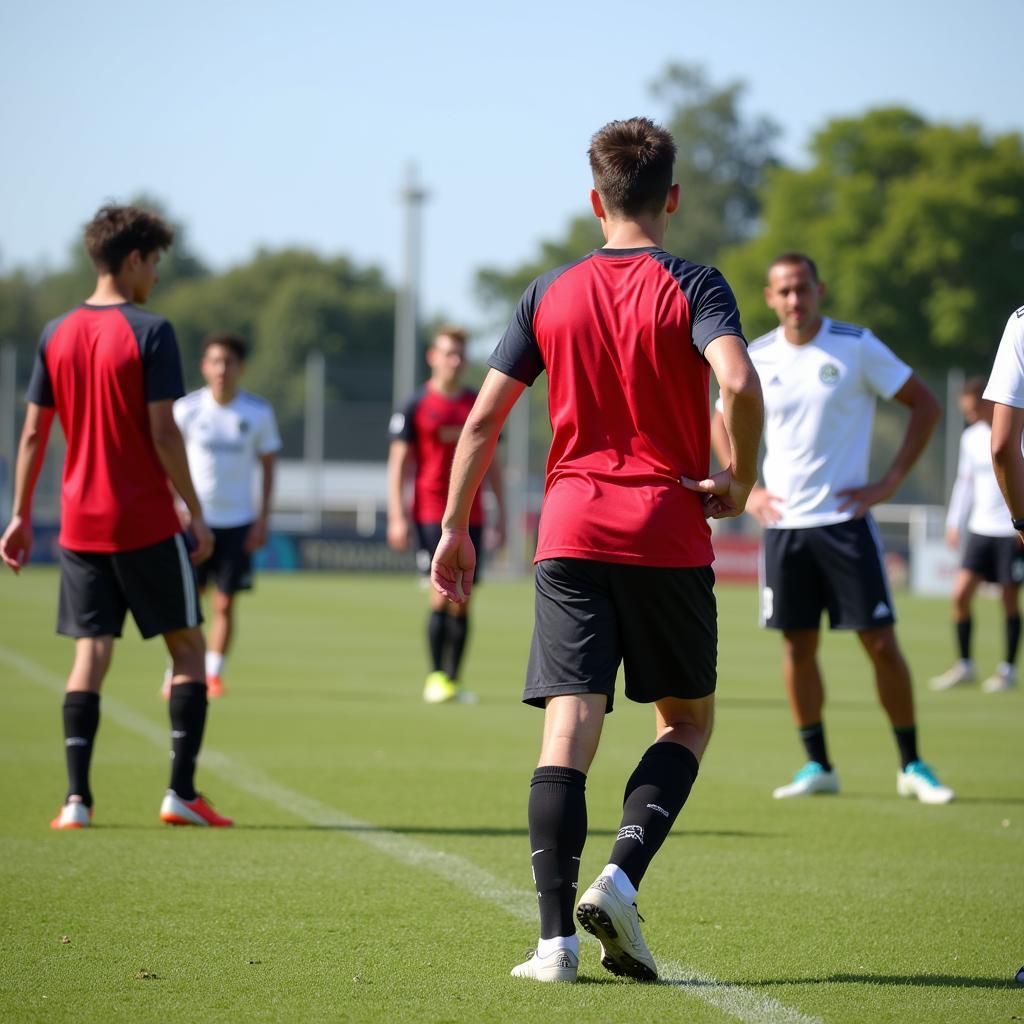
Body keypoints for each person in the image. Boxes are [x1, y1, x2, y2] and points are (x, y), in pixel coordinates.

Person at [431, 117, 763, 983]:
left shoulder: (549, 291)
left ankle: (553, 946)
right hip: (665, 530)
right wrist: (740, 473)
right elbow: (737, 379)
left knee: (568, 725)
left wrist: (454, 527)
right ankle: (619, 876)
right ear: (673, 199)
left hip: (570, 530)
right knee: (685, 721)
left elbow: (481, 422)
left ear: (594, 199)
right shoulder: (696, 284)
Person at [0, 204, 232, 828]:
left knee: (90, 653)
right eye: (154, 263)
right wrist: (195, 510)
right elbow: (162, 432)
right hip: (145, 520)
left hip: (78, 522)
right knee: (187, 647)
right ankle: (180, 791)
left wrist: (21, 514)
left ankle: (76, 800)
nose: (155, 276)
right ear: (133, 259)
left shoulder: (55, 333)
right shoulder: (152, 331)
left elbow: (30, 436)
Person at [711, 251, 953, 804]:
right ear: (771, 299)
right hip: (783, 526)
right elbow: (718, 416)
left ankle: (912, 763)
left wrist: (887, 484)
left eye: (802, 288)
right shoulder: (757, 356)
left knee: (882, 644)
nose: (795, 300)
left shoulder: (855, 345)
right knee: (797, 648)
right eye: (784, 292)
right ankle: (817, 764)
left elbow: (926, 405)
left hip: (845, 523)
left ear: (819, 289)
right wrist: (744, 486)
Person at [387, 327, 506, 704]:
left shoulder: (478, 402)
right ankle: (436, 676)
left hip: (472, 515)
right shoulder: (416, 404)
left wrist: (500, 512)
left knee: (465, 596)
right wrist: (396, 515)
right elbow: (399, 464)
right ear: (432, 357)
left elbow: (494, 463)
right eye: (448, 353)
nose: (454, 361)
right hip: (429, 514)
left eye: (460, 354)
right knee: (440, 595)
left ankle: (454, 679)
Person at [167, 331, 281, 699]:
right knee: (188, 600)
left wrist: (263, 518)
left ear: (240, 368)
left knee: (225, 602)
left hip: (237, 522)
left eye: (228, 362)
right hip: (192, 521)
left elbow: (268, 466)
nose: (221, 369)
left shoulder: (257, 413)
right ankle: (180, 669)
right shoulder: (186, 410)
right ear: (204, 366)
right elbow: (168, 461)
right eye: (215, 361)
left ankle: (213, 673)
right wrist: (172, 505)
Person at [930, 377, 1022, 693]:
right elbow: (964, 482)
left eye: (972, 410)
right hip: (980, 530)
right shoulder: (970, 438)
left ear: (987, 402)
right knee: (960, 595)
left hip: (1009, 531)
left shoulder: (1016, 434)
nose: (969, 416)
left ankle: (1007, 670)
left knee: (1009, 600)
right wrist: (955, 522)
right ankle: (965, 665)